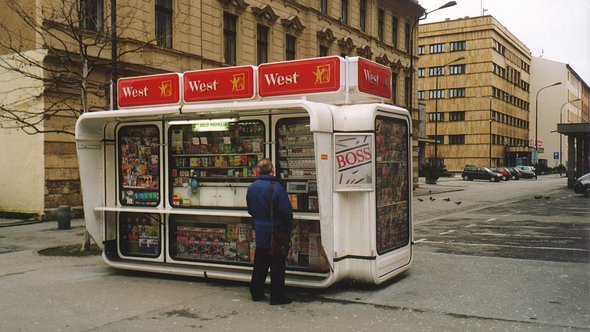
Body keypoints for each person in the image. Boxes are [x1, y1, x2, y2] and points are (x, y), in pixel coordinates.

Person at [246, 158, 293, 305]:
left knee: (260, 262)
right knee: (277, 264)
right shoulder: (277, 187)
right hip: (276, 231)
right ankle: (276, 296)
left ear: (258, 171)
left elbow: (250, 210)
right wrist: (287, 228)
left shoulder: (252, 187)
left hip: (260, 231)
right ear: (272, 170)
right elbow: (285, 211)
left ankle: (256, 292)